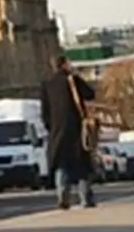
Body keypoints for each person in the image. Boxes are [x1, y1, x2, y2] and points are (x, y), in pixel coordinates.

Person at [41, 53, 98, 209]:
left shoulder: (47, 84)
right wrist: (76, 76)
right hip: (76, 129)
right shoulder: (73, 80)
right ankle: (85, 198)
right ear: (65, 64)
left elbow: (44, 112)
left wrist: (52, 127)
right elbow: (90, 94)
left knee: (61, 164)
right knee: (82, 165)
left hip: (57, 132)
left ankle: (62, 195)